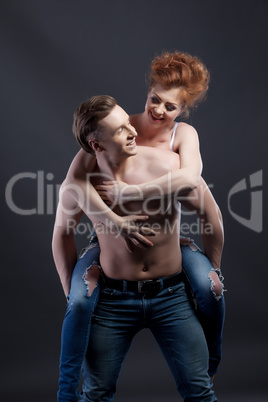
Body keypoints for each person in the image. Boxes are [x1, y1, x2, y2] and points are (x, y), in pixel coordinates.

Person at [52, 52, 224, 401]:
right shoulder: (111, 133)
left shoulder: (178, 144)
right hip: (115, 291)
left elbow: (194, 185)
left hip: (171, 288)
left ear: (183, 110)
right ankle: (65, 393)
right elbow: (71, 188)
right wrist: (112, 218)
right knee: (81, 307)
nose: (158, 111)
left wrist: (128, 192)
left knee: (211, 288)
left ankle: (213, 355)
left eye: (171, 107)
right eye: (154, 99)